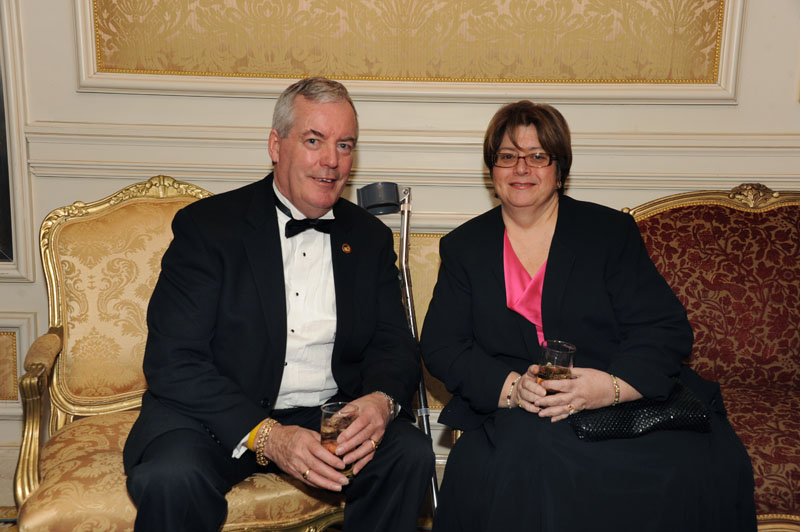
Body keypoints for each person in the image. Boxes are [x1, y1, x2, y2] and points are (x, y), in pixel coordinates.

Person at [420, 100, 756, 532]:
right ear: (492, 170)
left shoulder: (608, 233)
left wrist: (608, 388)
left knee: (688, 472)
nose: (521, 168)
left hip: (616, 409)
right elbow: (442, 346)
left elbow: (664, 329)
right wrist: (513, 389)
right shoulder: (465, 246)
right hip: (514, 415)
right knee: (510, 460)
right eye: (507, 156)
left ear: (559, 169)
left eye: (537, 156)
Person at [123, 76, 434, 532]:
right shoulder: (209, 228)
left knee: (409, 453)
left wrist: (381, 402)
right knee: (171, 478)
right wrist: (268, 435)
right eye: (314, 141)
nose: (331, 161)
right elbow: (173, 360)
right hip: (216, 416)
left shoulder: (368, 238)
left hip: (328, 416)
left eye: (345, 145)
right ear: (276, 145)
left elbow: (395, 345)